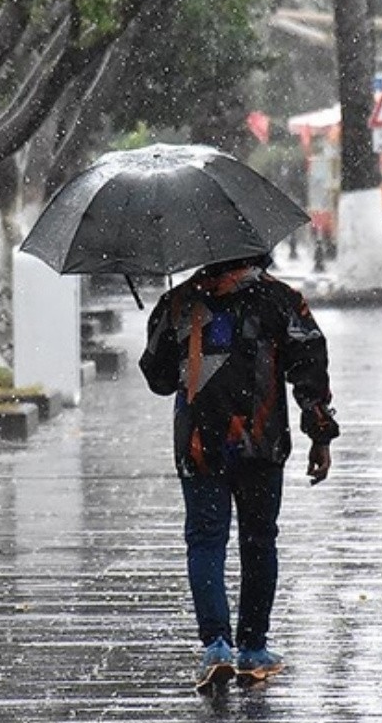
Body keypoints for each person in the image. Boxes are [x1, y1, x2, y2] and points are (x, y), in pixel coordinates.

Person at [138, 253, 339, 690]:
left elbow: (158, 378)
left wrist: (171, 326)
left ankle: (216, 646)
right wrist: (320, 433)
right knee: (259, 540)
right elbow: (309, 367)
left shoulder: (180, 302)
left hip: (199, 444)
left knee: (205, 540)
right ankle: (252, 648)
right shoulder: (281, 300)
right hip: (260, 442)